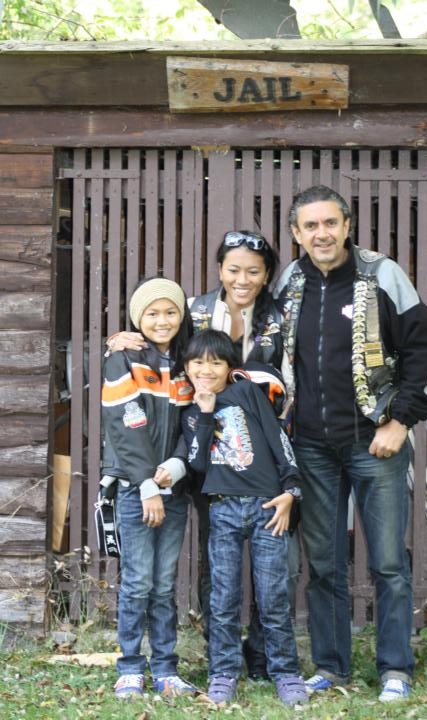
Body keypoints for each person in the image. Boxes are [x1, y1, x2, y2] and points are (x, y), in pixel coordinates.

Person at [105, 230, 300, 681]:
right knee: (214, 564)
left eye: (253, 271)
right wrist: (122, 338)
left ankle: (265, 658)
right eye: (233, 269)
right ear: (220, 271)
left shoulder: (281, 316)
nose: (242, 279)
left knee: (276, 569)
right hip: (203, 458)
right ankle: (220, 658)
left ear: (267, 275)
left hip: (264, 457)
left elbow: (296, 374)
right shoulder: (194, 312)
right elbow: (163, 337)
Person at [274, 185, 427, 703]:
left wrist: (401, 422)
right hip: (312, 447)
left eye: (331, 223)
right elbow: (246, 328)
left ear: (347, 226)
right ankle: (330, 666)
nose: (321, 233)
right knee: (324, 564)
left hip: (376, 442)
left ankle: (395, 668)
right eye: (310, 226)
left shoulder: (382, 274)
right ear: (296, 234)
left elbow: (422, 348)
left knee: (389, 563)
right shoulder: (290, 281)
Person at [181, 328, 308, 707]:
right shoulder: (191, 413)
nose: (206, 370)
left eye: (215, 363)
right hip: (222, 509)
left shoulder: (247, 393)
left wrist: (291, 489)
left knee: (273, 597)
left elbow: (278, 438)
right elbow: (197, 463)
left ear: (229, 368)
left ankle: (285, 672)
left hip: (268, 507)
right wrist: (206, 413)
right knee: (223, 598)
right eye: (198, 363)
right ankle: (223, 672)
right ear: (186, 367)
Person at [101, 277, 198, 699]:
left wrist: (177, 465)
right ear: (137, 318)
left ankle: (165, 668)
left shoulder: (186, 362)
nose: (162, 320)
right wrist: (146, 484)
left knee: (163, 583)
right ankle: (129, 667)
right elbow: (126, 425)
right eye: (152, 313)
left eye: (171, 311)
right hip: (134, 489)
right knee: (138, 580)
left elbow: (193, 422)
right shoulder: (123, 360)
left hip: (173, 487)